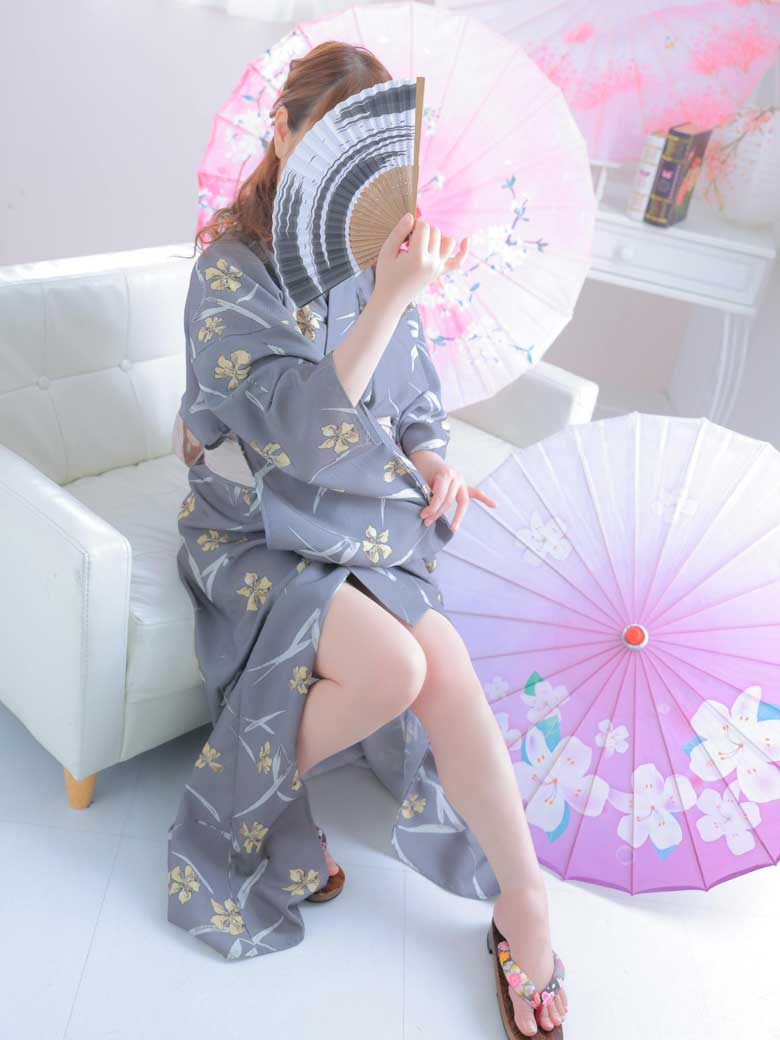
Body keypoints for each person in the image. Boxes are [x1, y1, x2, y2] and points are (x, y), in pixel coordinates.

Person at [169, 41, 567, 1039]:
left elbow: (413, 397)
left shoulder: (367, 250)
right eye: (323, 142)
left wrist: (431, 458)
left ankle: (525, 903)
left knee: (444, 660)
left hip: (349, 513)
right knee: (393, 664)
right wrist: (391, 295)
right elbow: (292, 437)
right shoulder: (229, 269)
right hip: (255, 524)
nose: (341, 171)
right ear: (282, 131)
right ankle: (249, 803)